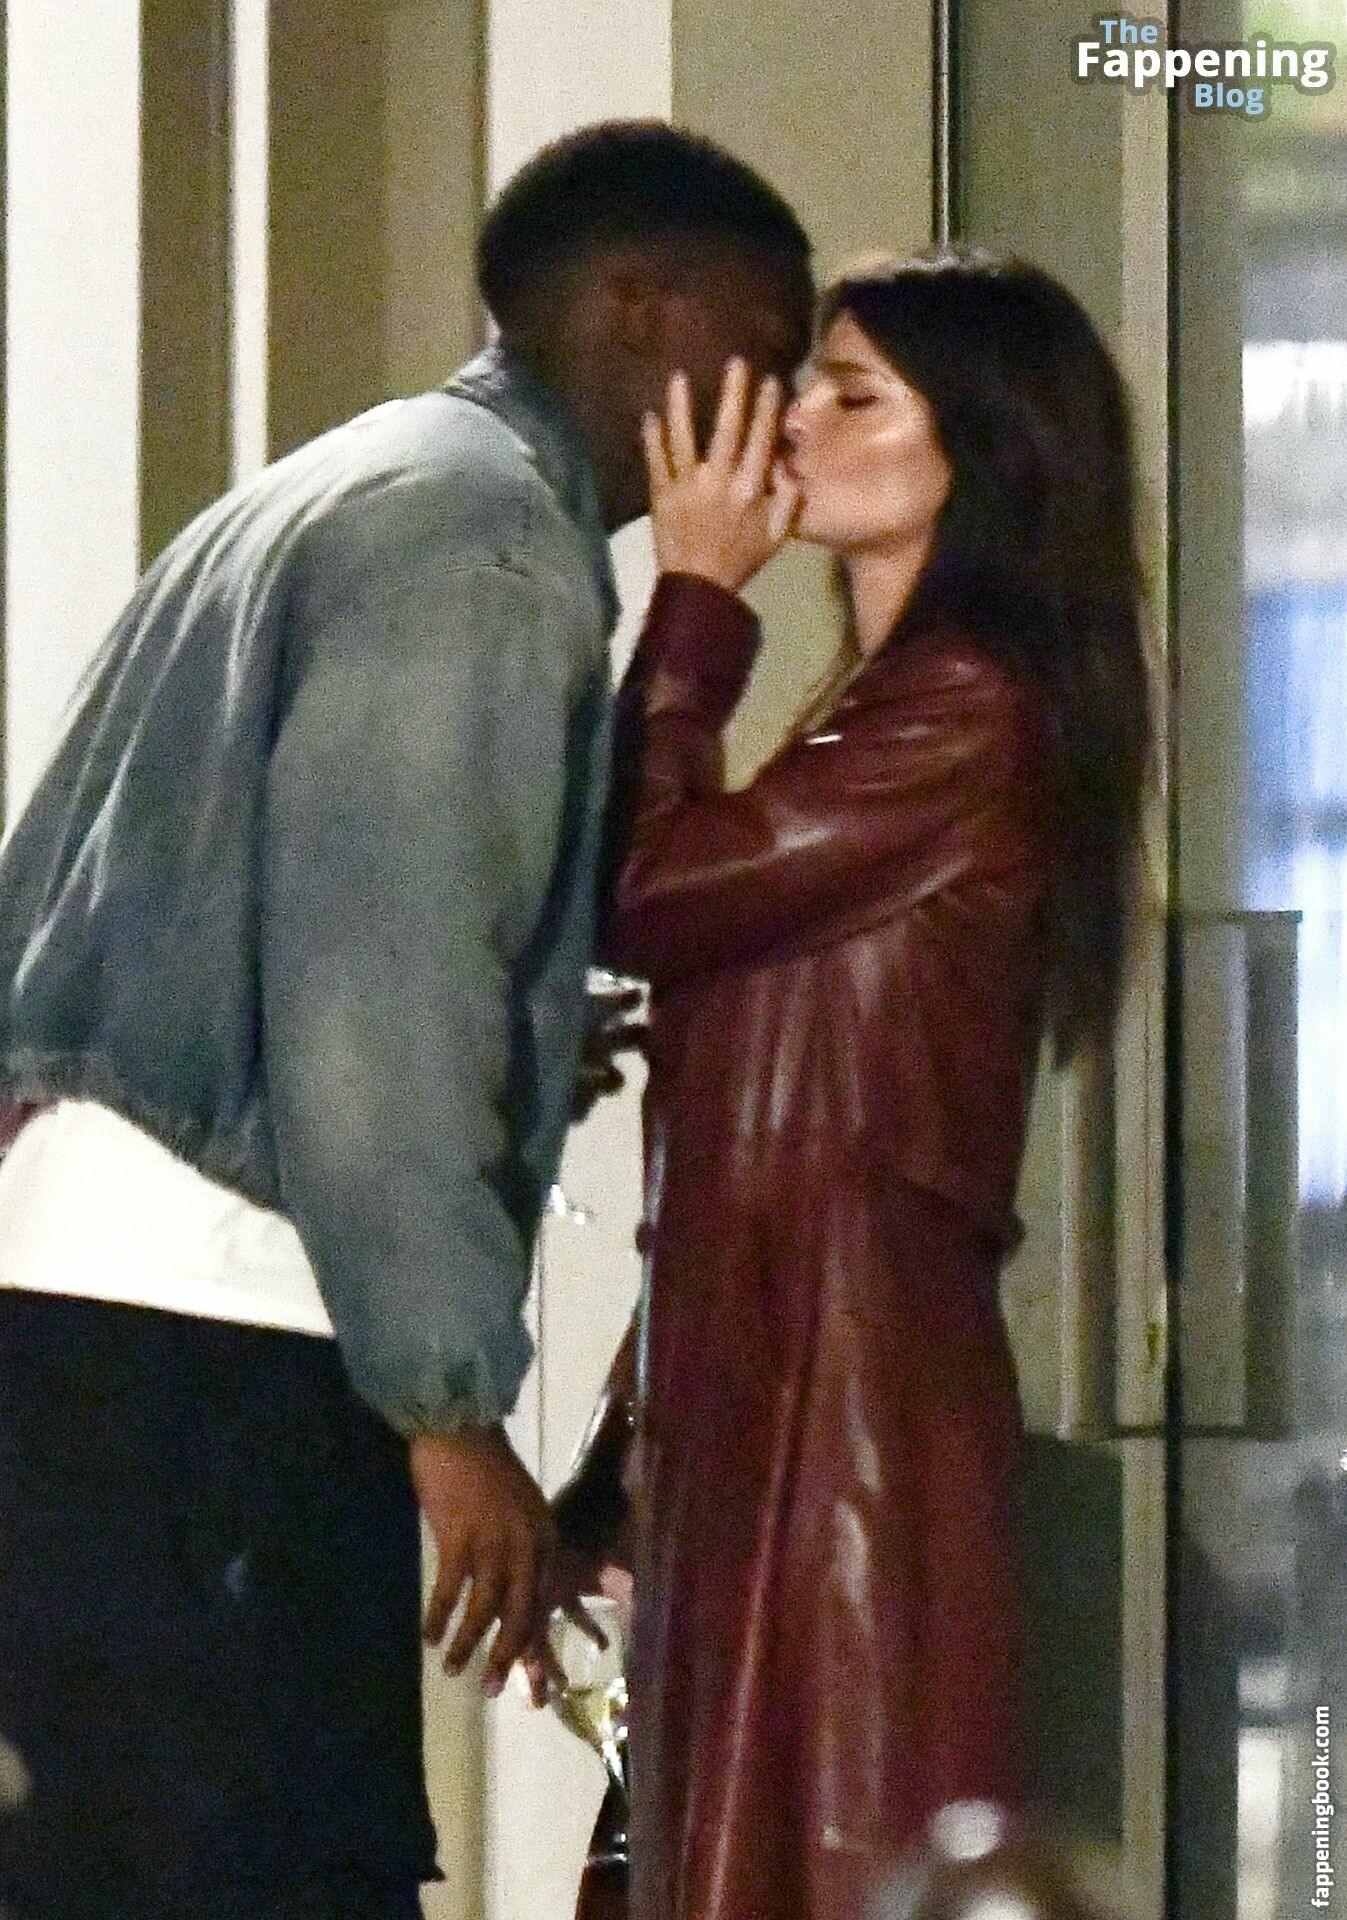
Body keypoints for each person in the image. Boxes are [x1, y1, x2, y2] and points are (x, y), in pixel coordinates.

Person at [0, 122, 813, 1920]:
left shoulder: (359, 477)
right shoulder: (487, 549)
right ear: (640, 308)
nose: (785, 410)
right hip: (229, 1320)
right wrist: (449, 1411)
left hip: (103, 1301)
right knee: (272, 1868)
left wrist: (515, 1029)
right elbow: (381, 994)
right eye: (768, 343)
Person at [566, 247, 1152, 1920]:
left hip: (846, 1402)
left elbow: (645, 893)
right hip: (779, 1373)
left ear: (981, 447)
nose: (793, 425)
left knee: (813, 1848)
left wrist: (696, 600)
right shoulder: (884, 709)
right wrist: (620, 1468)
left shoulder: (965, 709)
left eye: (853, 395)